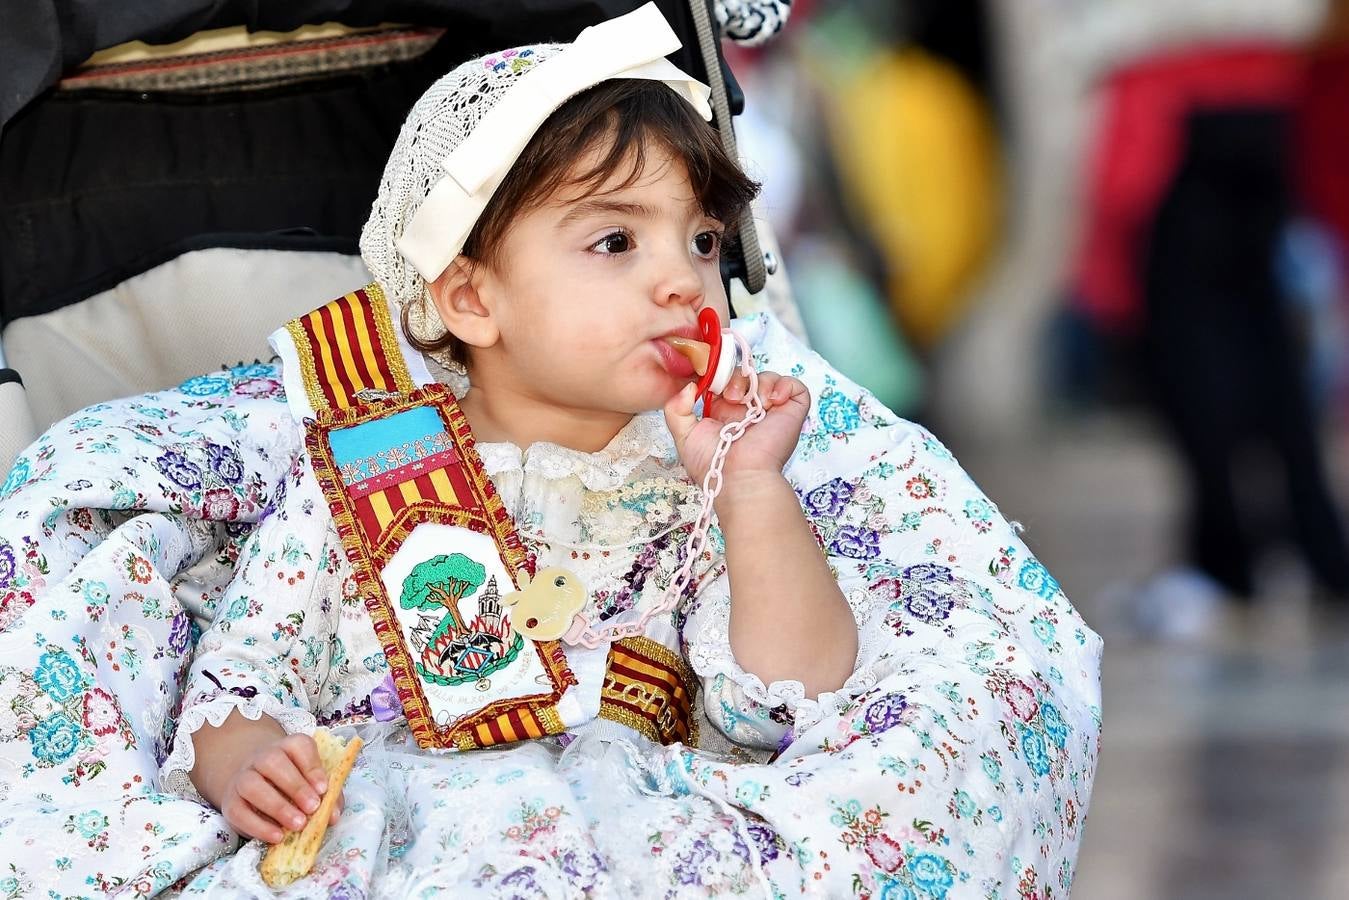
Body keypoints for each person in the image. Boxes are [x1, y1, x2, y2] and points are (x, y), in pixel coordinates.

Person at [0, 6, 1099, 897]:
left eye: (704, 242)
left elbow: (794, 695)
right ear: (470, 298)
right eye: (615, 241)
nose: (682, 278)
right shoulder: (357, 466)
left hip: (640, 835)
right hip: (404, 834)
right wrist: (245, 767)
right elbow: (244, 674)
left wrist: (752, 492)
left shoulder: (692, 479)